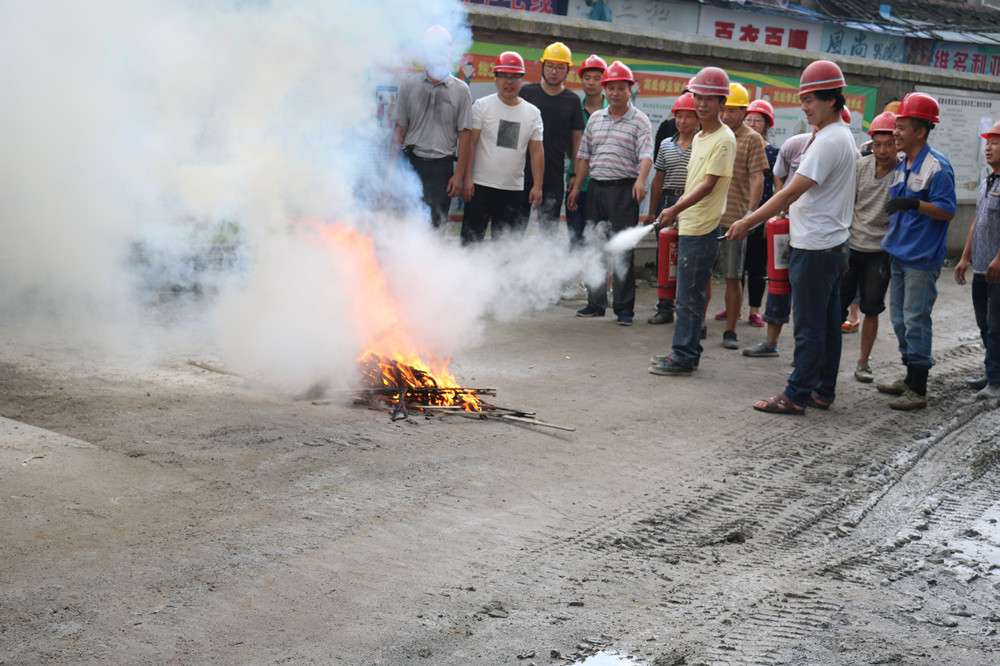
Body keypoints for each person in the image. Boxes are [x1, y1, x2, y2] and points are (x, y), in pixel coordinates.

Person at [727, 60, 857, 414]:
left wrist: (747, 222)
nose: (804, 106)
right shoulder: (840, 135)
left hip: (815, 248)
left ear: (832, 100)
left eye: (810, 99)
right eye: (802, 99)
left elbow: (788, 194)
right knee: (828, 325)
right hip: (830, 244)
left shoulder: (829, 141)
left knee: (810, 328)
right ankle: (821, 390)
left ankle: (796, 394)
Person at [647, 66, 735, 376]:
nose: (701, 104)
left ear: (722, 102)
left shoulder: (724, 139)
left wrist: (674, 209)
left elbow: (708, 184)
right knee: (688, 294)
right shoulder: (699, 136)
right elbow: (692, 180)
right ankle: (687, 351)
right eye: (697, 96)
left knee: (687, 297)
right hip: (689, 223)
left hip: (703, 227)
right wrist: (679, 214)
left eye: (709, 98)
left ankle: (682, 357)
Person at [876, 92, 957, 410]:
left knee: (916, 319)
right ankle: (910, 376)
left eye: (902, 127)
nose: (895, 132)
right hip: (899, 254)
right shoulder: (902, 164)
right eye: (896, 126)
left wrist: (915, 203)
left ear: (921, 131)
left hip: (922, 259)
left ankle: (919, 388)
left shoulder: (938, 168)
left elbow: (948, 211)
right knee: (898, 319)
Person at [567, 61, 654, 325]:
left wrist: (640, 181)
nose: (615, 92)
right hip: (596, 189)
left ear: (631, 90)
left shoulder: (640, 120)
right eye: (611, 88)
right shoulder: (595, 118)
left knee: (623, 250)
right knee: (595, 246)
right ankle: (595, 303)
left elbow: (646, 155)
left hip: (624, 191)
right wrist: (576, 188)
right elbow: (584, 156)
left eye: (621, 88)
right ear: (605, 90)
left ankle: (624, 309)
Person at [391, 25, 473, 229]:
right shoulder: (409, 86)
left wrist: (459, 175)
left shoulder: (461, 90)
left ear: (450, 50)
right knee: (408, 225)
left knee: (436, 227)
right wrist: (392, 171)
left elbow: (465, 137)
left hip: (442, 170)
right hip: (412, 165)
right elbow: (399, 131)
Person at [460, 51, 544, 244]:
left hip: (512, 189)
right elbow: (469, 144)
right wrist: (467, 177)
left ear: (522, 79)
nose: (509, 82)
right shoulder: (482, 106)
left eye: (515, 77)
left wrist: (537, 186)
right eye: (504, 76)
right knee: (470, 244)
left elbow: (537, 151)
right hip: (479, 186)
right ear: (496, 78)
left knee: (505, 250)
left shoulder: (533, 113)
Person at [707, 83, 767, 350]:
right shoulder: (710, 133)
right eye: (724, 109)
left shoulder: (752, 139)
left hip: (734, 218)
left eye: (733, 110)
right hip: (707, 217)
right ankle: (700, 323)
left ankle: (730, 329)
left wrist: (751, 215)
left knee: (733, 276)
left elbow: (757, 178)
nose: (727, 114)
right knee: (703, 275)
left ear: (743, 111)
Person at [840, 111, 899, 383]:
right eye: (878, 144)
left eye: (889, 144)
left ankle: (863, 362)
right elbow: (847, 206)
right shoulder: (860, 166)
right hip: (852, 246)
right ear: (871, 144)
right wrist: (843, 246)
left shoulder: (903, 175)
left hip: (881, 252)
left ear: (898, 143)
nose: (883, 150)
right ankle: (826, 358)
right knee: (837, 305)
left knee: (872, 308)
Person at [519, 42, 585, 237]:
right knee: (515, 230)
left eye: (560, 67)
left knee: (548, 233)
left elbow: (577, 141)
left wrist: (574, 173)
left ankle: (546, 268)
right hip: (521, 176)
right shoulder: (526, 93)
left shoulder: (572, 101)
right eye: (550, 66)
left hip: (554, 178)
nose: (554, 71)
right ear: (542, 66)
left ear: (567, 71)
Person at [955, 119, 1000, 400]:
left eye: (996, 142)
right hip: (982, 268)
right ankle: (992, 370)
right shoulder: (987, 181)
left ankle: (995, 382)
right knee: (984, 323)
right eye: (988, 142)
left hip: (998, 270)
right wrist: (964, 257)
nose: (989, 147)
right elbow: (976, 222)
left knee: (997, 325)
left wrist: (999, 258)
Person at [645, 92, 697, 325]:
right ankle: (664, 307)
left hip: (691, 205)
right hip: (667, 204)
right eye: (679, 116)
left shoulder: (703, 144)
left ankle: (685, 309)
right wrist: (651, 210)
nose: (683, 121)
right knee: (664, 256)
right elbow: (658, 178)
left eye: (688, 116)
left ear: (698, 119)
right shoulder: (666, 144)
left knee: (686, 259)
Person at [741, 99, 780, 329]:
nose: (753, 123)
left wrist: (771, 218)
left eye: (758, 120)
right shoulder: (735, 146)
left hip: (761, 216)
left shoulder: (774, 153)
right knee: (735, 267)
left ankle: (755, 310)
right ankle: (733, 306)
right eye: (749, 119)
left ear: (766, 125)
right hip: (735, 213)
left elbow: (779, 187)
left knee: (756, 265)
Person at [565, 55, 608, 248]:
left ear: (604, 80)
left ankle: (598, 278)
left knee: (599, 238)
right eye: (587, 77)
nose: (591, 82)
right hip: (577, 184)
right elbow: (568, 144)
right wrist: (574, 173)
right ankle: (576, 277)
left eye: (596, 78)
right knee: (575, 235)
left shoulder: (613, 109)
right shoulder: (574, 107)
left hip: (603, 185)